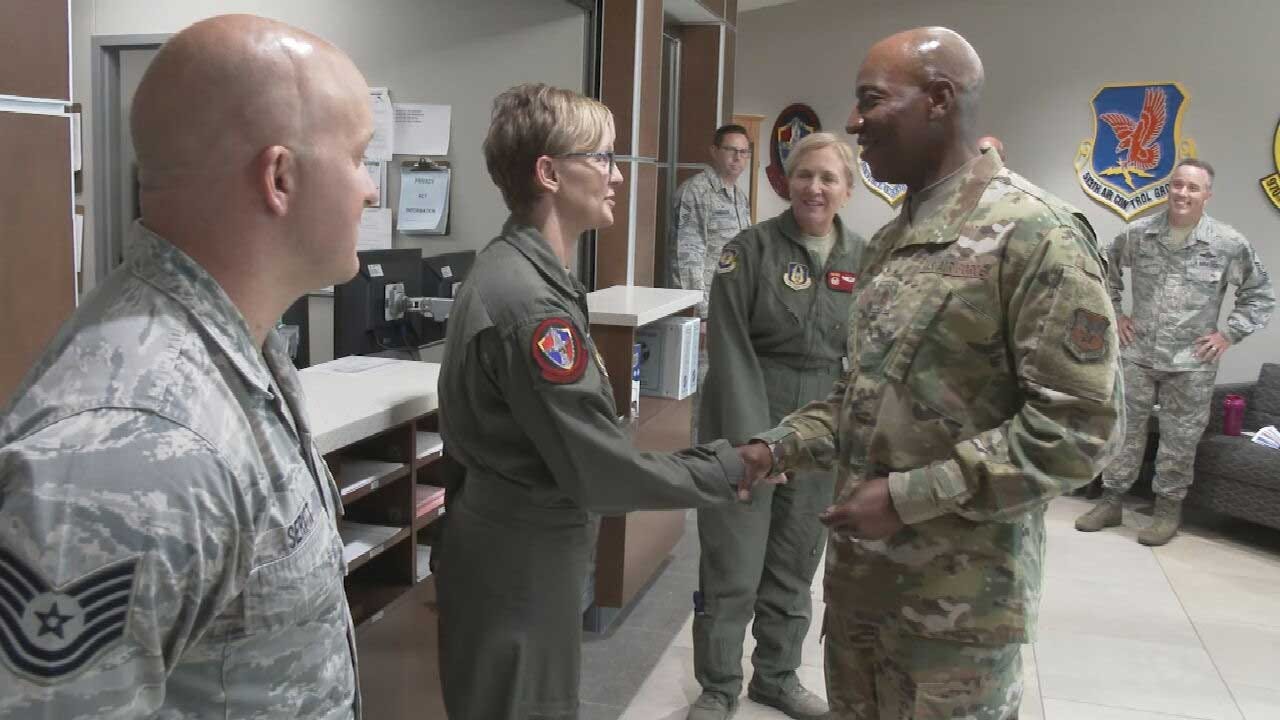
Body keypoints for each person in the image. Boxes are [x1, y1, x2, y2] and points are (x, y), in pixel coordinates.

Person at [740, 27, 1124, 719]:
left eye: (870, 100)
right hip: (863, 597)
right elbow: (865, 397)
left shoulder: (1035, 235)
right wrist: (778, 446)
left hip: (957, 628)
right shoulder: (894, 240)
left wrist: (909, 496)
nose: (852, 122)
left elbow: (1079, 431)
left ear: (939, 100)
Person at [0, 14, 376, 718]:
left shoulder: (231, 352)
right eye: (358, 158)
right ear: (281, 178)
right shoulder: (135, 444)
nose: (371, 190)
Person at [435, 84, 775, 720]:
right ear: (548, 172)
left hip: (515, 548)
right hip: (518, 561)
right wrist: (728, 466)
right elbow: (602, 471)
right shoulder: (530, 305)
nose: (616, 176)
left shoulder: (527, 274)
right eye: (603, 158)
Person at [688, 131, 866, 720]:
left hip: (821, 424)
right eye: (804, 175)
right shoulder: (750, 250)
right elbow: (730, 348)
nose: (814, 188)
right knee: (734, 560)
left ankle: (776, 676)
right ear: (785, 181)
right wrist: (751, 445)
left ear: (848, 188)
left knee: (795, 557)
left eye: (828, 178)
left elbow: (870, 356)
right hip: (748, 407)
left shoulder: (863, 259)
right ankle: (718, 685)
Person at [1075, 158, 1274, 545]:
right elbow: (1102, 269)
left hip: (1191, 362)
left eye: (1193, 188)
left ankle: (1167, 510)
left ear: (1207, 195)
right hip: (1138, 354)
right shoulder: (1140, 234)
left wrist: (1228, 335)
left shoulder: (1227, 243)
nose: (1182, 193)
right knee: (1124, 431)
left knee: (1180, 439)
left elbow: (1259, 295)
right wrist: (1116, 314)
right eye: (1177, 185)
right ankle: (1111, 500)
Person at [671, 124, 754, 438]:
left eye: (743, 152)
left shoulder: (739, 197)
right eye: (731, 150)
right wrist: (700, 314)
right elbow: (687, 254)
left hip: (731, 308)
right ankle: (694, 458)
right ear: (714, 151)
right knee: (700, 389)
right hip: (706, 310)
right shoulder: (696, 192)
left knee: (722, 387)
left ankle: (712, 453)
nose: (737, 158)